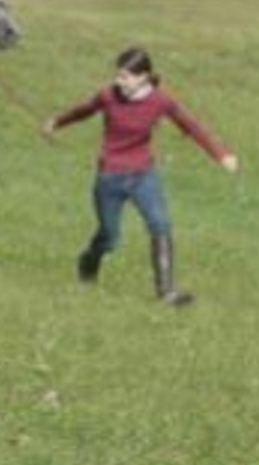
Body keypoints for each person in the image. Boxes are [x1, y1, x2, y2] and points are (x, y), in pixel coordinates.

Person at [43, 47, 239, 306]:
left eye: (125, 76)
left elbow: (191, 126)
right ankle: (88, 261)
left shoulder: (160, 101)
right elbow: (83, 110)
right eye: (118, 75)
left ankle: (166, 291)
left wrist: (221, 155)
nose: (118, 81)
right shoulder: (108, 96)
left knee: (160, 224)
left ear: (143, 77)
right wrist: (56, 122)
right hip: (110, 176)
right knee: (110, 238)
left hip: (143, 175)